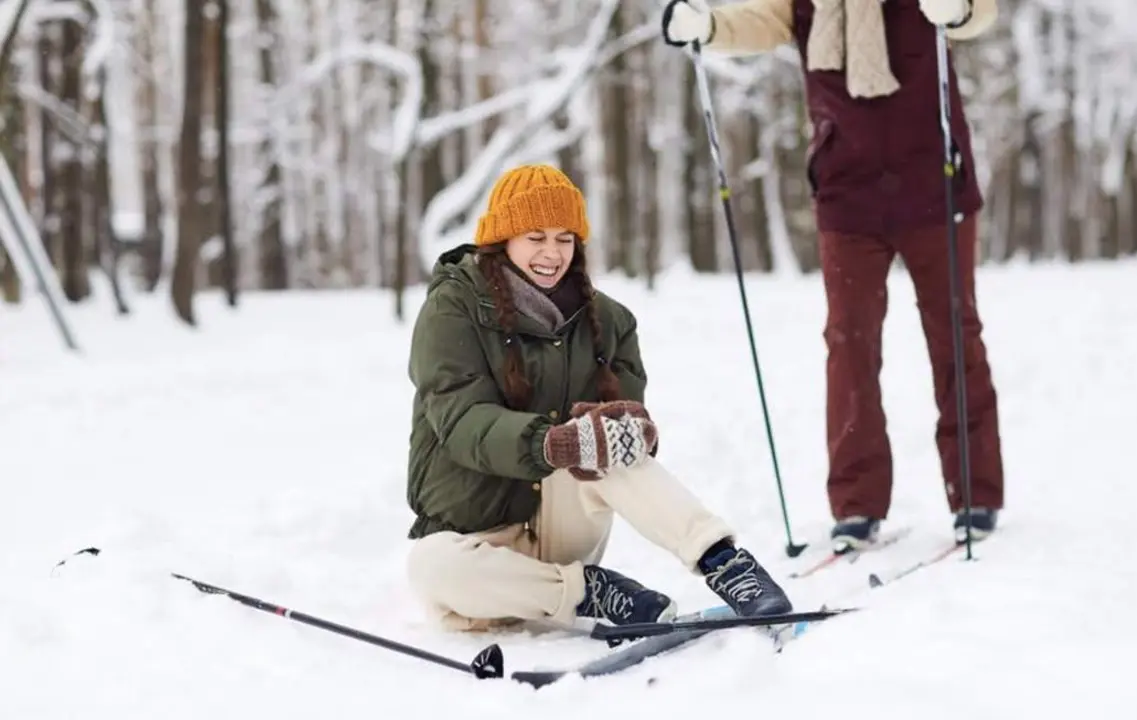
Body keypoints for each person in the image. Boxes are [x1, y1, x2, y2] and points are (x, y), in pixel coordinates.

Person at [660, 0, 1005, 549]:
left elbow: (980, 12)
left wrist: (958, 10)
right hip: (847, 190)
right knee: (848, 344)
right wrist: (709, 27)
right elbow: (760, 21)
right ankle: (857, 504)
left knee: (954, 333)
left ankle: (975, 494)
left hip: (933, 184)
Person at [403, 164, 793, 633]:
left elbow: (624, 431)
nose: (552, 253)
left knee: (608, 444)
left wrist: (632, 430)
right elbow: (462, 420)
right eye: (536, 237)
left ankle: (725, 563)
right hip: (478, 549)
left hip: (560, 531)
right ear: (503, 239)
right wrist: (552, 444)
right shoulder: (453, 308)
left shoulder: (608, 322)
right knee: (428, 567)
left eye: (564, 239)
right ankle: (590, 592)